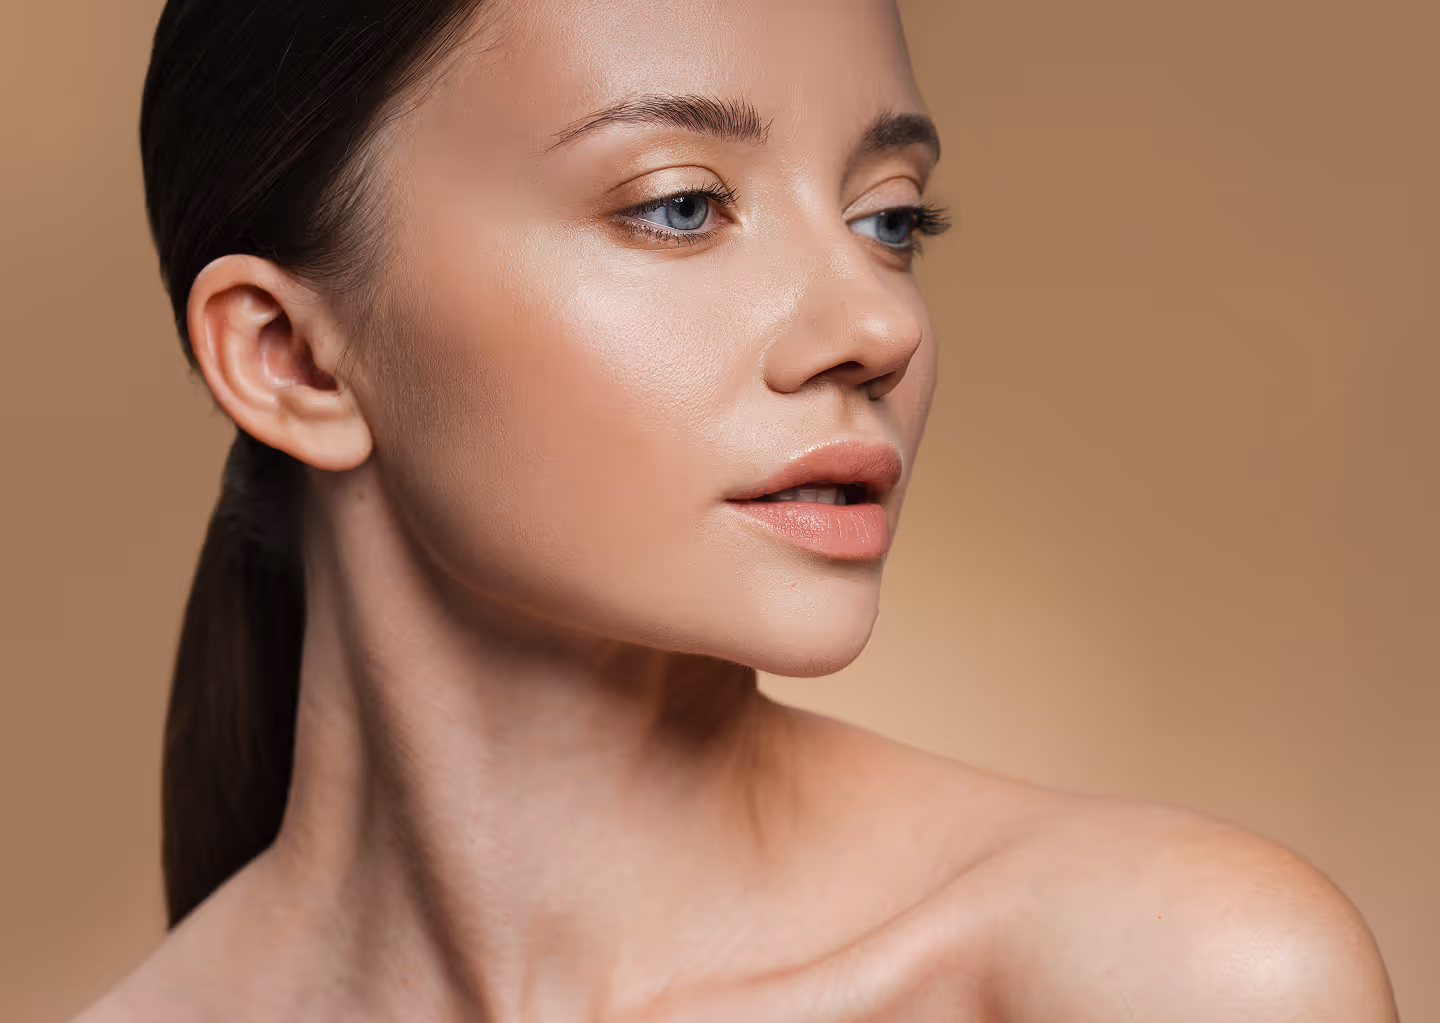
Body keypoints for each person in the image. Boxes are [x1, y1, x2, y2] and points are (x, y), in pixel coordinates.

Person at [77, 0, 1399, 1019]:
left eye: (890, 219)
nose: (878, 323)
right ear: (289, 356)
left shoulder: (1171, 977)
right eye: (681, 205)